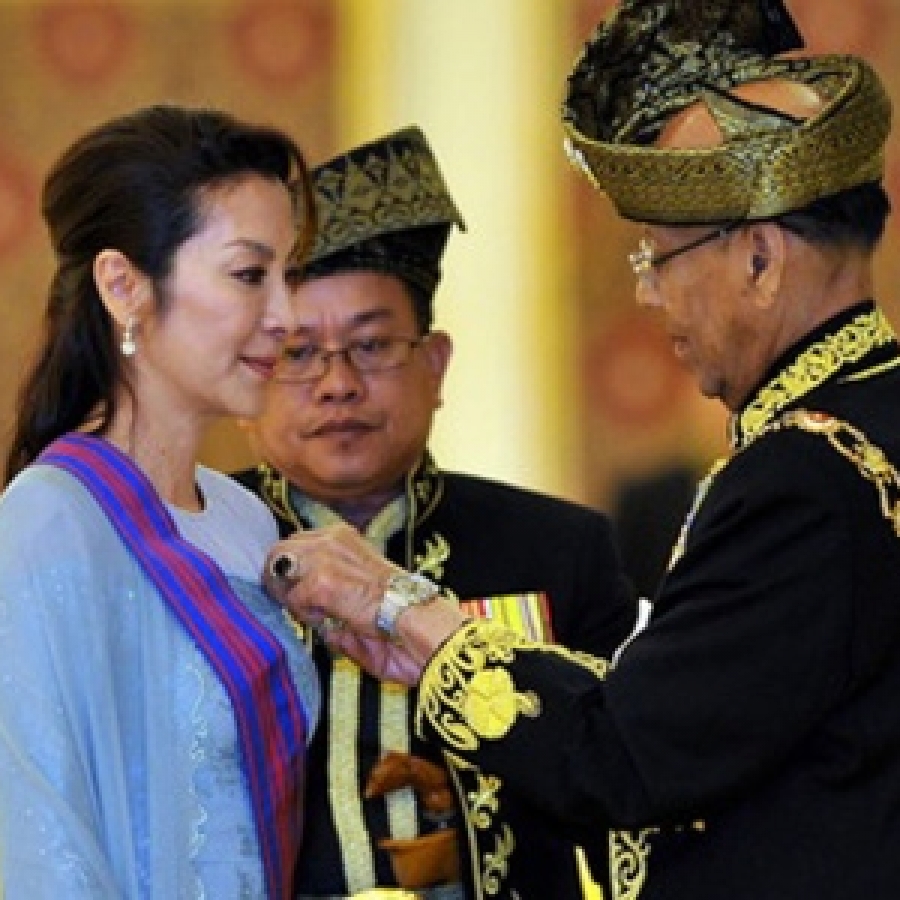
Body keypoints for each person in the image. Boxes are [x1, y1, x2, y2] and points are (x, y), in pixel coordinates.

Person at [262, 1, 900, 898]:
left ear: (760, 259)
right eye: (296, 353)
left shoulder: (804, 474)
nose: (649, 296)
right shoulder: (867, 421)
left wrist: (403, 613)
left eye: (659, 258)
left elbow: (627, 754)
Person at [232, 126, 638, 899]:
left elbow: (631, 793)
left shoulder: (557, 552)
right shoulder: (194, 550)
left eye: (372, 345)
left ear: (436, 364)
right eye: (298, 354)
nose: (338, 385)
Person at [0, 104, 321, 899]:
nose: (286, 317)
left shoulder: (245, 519)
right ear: (124, 286)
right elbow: (36, 845)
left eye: (289, 275)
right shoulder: (48, 526)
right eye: (249, 276)